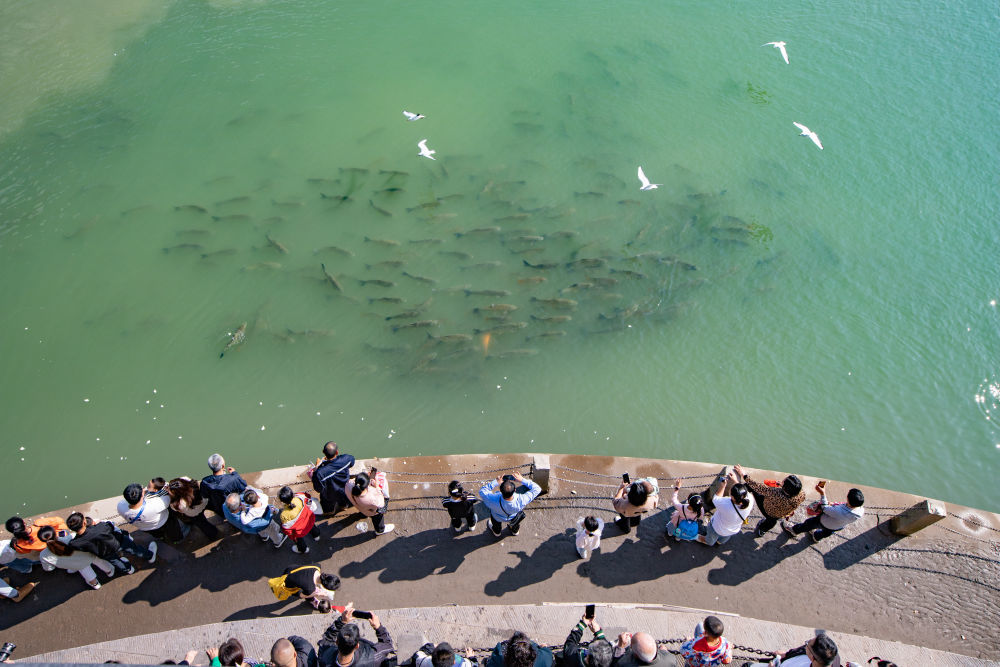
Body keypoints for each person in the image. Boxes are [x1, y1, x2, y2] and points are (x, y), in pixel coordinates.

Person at [66, 512, 156, 573]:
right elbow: (111, 527)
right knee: (134, 550)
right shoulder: (100, 527)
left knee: (116, 561)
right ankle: (150, 555)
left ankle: (128, 569)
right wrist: (99, 523)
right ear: (84, 522)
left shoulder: (74, 543)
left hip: (104, 553)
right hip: (118, 542)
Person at [37, 525, 115, 590]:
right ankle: (109, 572)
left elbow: (49, 569)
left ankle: (95, 584)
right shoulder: (71, 537)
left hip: (73, 565)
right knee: (99, 561)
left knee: (84, 571)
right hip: (88, 557)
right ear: (55, 533)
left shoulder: (43, 555)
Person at [735, 465, 804, 537]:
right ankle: (762, 530)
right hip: (782, 514)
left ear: (785, 488)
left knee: (749, 486)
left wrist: (744, 475)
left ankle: (737, 500)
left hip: (768, 509)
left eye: (784, 481)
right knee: (771, 522)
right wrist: (782, 486)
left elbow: (757, 487)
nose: (782, 480)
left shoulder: (774, 493)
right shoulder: (802, 495)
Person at [782, 484, 864, 543]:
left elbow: (825, 508)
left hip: (823, 522)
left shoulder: (839, 512)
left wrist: (822, 493)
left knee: (808, 524)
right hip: (838, 526)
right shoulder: (860, 511)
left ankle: (794, 530)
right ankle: (816, 537)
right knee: (826, 533)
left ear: (848, 499)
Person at [317, 605, 394, 667]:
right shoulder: (372, 657)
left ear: (337, 642)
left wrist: (341, 621)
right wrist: (378, 627)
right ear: (357, 646)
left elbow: (326, 639)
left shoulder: (324, 656)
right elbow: (387, 645)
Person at [697, 470, 754, 547]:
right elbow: (743, 493)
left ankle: (699, 538)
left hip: (717, 528)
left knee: (710, 540)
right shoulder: (750, 499)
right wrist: (736, 481)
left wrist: (722, 486)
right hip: (733, 530)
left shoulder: (726, 504)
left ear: (732, 497)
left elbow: (716, 499)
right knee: (723, 539)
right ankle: (719, 542)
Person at [478, 471, 542, 538]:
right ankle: (514, 531)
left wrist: (495, 482)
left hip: (497, 517)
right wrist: (522, 480)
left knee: (496, 524)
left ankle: (497, 532)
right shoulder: (521, 500)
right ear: (515, 490)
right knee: (516, 523)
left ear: (500, 490)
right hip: (514, 516)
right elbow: (537, 489)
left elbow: (482, 491)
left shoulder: (492, 499)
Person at [117, 482, 186, 543]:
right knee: (173, 530)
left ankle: (161, 537)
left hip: (146, 528)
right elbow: (169, 498)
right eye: (142, 489)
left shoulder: (120, 506)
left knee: (157, 534)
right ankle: (177, 540)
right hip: (163, 522)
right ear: (141, 496)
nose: (144, 489)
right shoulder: (155, 504)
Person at [311, 442, 356, 514]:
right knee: (344, 500)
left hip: (329, 494)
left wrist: (316, 469)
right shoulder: (346, 459)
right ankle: (343, 507)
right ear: (337, 452)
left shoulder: (319, 473)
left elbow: (318, 489)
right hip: (344, 489)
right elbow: (352, 461)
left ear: (323, 452)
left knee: (327, 505)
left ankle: (330, 512)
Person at [346, 471, 394, 535]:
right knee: (377, 516)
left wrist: (364, 477)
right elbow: (381, 503)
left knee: (363, 511)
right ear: (366, 486)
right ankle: (380, 530)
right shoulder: (372, 500)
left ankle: (363, 515)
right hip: (371, 510)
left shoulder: (348, 485)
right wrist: (377, 487)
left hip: (359, 506)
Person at [278, 486, 322, 553]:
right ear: (292, 494)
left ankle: (303, 549)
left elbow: (287, 528)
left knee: (298, 539)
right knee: (312, 527)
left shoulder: (284, 515)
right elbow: (310, 503)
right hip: (308, 521)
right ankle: (316, 536)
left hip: (299, 531)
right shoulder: (300, 497)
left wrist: (292, 536)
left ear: (282, 501)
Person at [485, 631, 553, 667]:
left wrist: (474, 660)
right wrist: (544, 648)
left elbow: (490, 664)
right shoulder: (544, 659)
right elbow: (548, 655)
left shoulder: (498, 660)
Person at [768, 633, 840, 667]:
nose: (806, 644)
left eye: (807, 644)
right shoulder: (827, 658)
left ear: (812, 657)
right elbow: (801, 649)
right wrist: (786, 654)